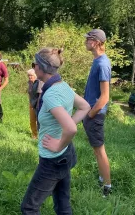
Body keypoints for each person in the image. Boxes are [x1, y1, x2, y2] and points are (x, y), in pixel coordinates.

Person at [21, 48, 91, 215]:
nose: (33, 67)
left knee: (29, 207)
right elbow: (85, 107)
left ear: (41, 67)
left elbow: (71, 128)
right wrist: (63, 132)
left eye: (34, 64)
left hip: (53, 159)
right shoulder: (63, 86)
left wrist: (59, 145)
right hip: (66, 156)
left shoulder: (51, 94)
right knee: (61, 201)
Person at [83, 29, 112, 197]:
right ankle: (102, 178)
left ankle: (107, 188)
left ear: (95, 42)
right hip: (92, 112)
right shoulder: (97, 61)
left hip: (95, 114)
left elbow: (105, 97)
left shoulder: (102, 63)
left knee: (100, 151)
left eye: (88, 39)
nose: (85, 42)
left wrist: (90, 114)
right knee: (97, 150)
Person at [27, 68, 43, 139]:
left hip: (38, 104)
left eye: (31, 75)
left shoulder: (39, 82)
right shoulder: (29, 82)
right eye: (29, 75)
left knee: (39, 121)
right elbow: (29, 93)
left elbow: (40, 94)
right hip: (31, 103)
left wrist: (37, 105)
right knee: (32, 120)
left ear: (35, 75)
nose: (30, 77)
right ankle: (34, 135)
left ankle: (41, 136)